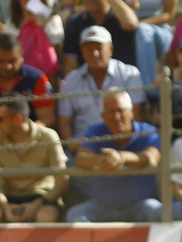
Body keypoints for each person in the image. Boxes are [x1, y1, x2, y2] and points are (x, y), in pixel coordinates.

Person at [66, 87, 159, 222]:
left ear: (131, 111)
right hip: (102, 207)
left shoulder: (148, 131)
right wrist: (102, 159)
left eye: (120, 111)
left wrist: (122, 157)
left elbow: (152, 158)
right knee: (75, 216)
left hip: (140, 206)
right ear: (102, 117)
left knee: (157, 211)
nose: (116, 117)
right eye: (110, 112)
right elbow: (80, 159)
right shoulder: (95, 131)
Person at [0, 94, 68, 222]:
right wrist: (6, 206)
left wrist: (37, 204)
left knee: (46, 216)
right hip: (8, 197)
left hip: (42, 196)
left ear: (18, 118)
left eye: (0, 119)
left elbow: (62, 180)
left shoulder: (48, 137)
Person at [56, 24, 139, 140]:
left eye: (99, 48)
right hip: (83, 146)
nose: (94, 54)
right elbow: (64, 120)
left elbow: (138, 114)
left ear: (110, 49)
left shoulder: (129, 74)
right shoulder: (71, 79)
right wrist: (72, 144)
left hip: (122, 143)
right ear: (82, 51)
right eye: (89, 49)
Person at [61, 0, 138, 73]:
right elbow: (70, 65)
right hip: (87, 82)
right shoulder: (75, 23)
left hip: (123, 79)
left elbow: (131, 24)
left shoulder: (120, 17)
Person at [7, 0, 61, 77]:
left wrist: (42, 28)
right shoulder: (12, 22)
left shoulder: (52, 19)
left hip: (45, 75)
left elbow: (58, 49)